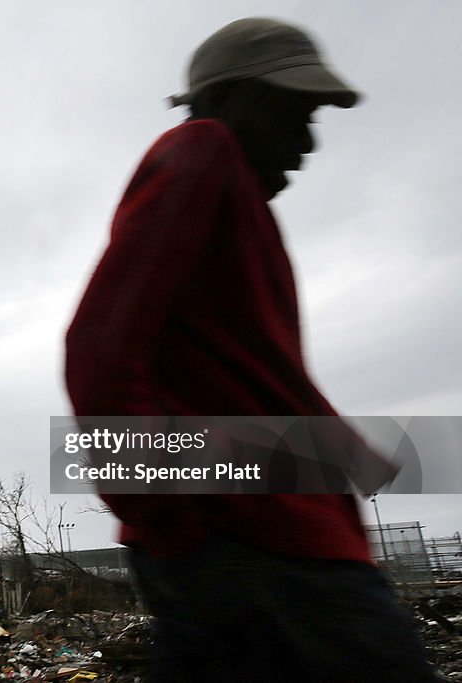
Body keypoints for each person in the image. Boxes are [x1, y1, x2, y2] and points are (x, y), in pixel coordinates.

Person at [64, 18, 438, 681]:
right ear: (232, 99)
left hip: (260, 531)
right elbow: (98, 348)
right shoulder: (201, 152)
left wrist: (345, 450)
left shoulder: (241, 205)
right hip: (256, 537)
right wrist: (171, 520)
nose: (308, 140)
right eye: (294, 111)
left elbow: (263, 371)